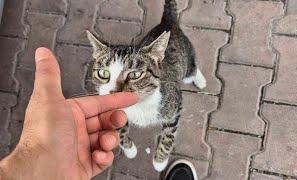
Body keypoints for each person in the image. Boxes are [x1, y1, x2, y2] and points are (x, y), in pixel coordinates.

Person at [0, 47, 197, 180]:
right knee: (116, 122)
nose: (114, 89)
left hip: (171, 66)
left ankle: (194, 73)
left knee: (190, 73)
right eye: (105, 75)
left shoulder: (164, 97)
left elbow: (174, 118)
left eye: (133, 76)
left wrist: (162, 153)